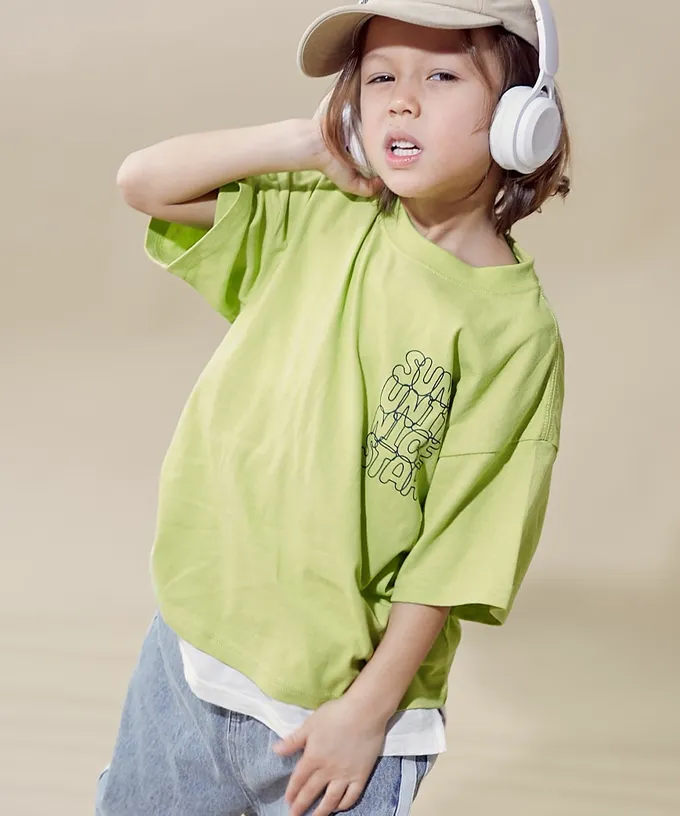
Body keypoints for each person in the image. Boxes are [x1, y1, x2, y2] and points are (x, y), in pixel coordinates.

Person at [98, 0, 571, 814]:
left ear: (522, 119)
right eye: (379, 78)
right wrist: (304, 142)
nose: (402, 101)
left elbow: (457, 550)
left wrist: (366, 712)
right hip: (191, 654)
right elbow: (143, 182)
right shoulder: (315, 210)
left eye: (442, 76)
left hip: (343, 716)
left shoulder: (513, 332)